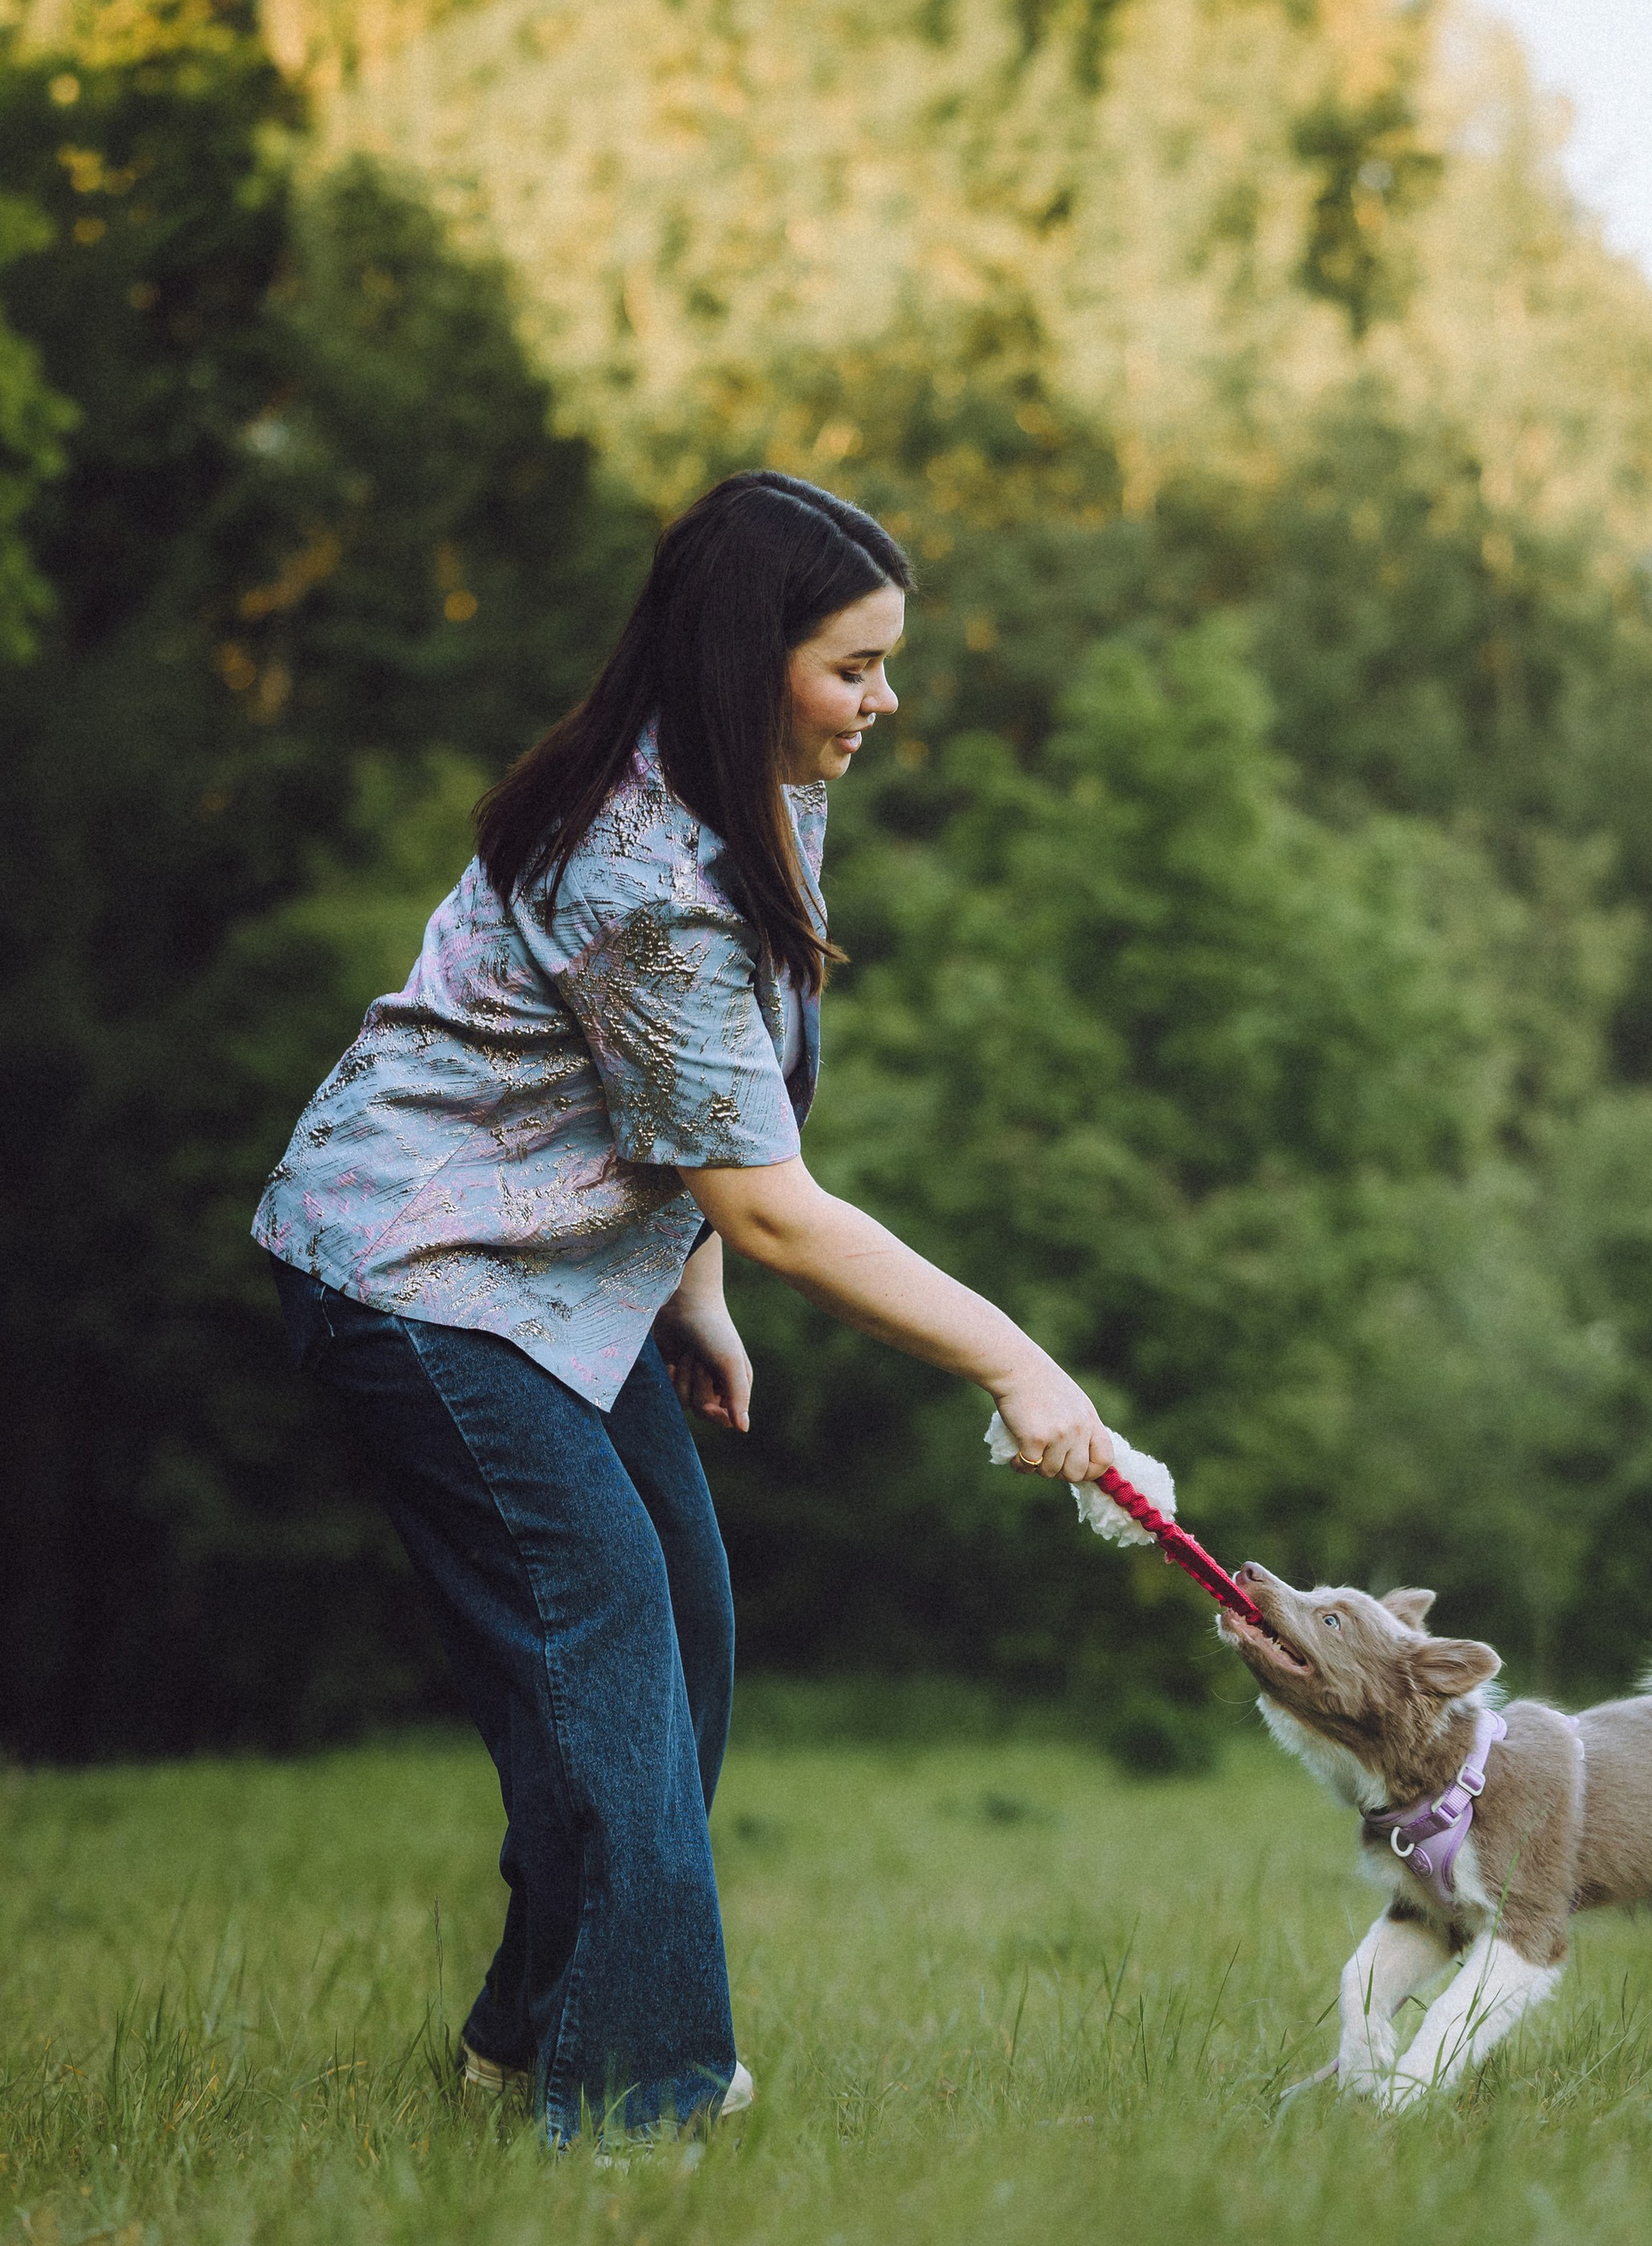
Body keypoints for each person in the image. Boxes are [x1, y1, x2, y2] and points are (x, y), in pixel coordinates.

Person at [253, 471, 1112, 2144]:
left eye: (884, 665)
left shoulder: (760, 793)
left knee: (684, 1645)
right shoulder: (640, 870)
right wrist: (1015, 1363)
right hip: (415, 1282)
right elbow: (774, 1200)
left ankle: (521, 2042)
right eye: (853, 667)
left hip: (564, 1279)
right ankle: (640, 2103)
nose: (882, 702)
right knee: (617, 1655)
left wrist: (686, 1291)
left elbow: (694, 1114)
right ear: (748, 660)